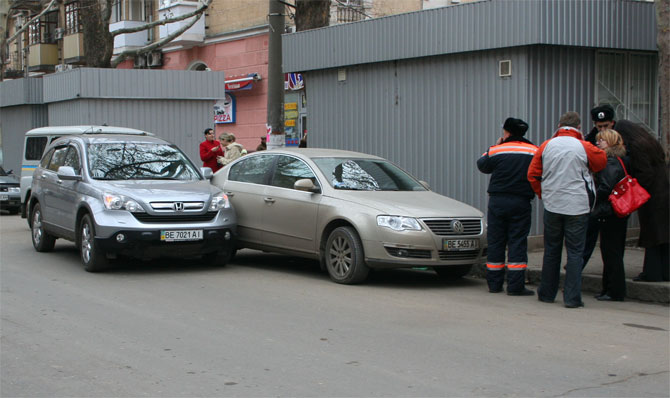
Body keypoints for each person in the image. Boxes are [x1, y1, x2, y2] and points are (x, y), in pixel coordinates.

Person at [527, 111, 607, 308]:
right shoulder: (583, 146)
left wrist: (543, 194)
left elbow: (532, 174)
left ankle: (546, 293)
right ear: (578, 127)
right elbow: (601, 162)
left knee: (552, 250)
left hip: (553, 204)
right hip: (577, 206)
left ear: (559, 125)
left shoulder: (546, 145)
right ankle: (572, 298)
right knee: (575, 253)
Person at [477, 117, 538, 296]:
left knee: (496, 241)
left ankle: (494, 284)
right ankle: (515, 286)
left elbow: (482, 165)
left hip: (498, 201)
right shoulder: (534, 150)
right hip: (521, 201)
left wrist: (495, 145)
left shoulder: (497, 150)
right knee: (517, 242)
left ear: (507, 132)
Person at [614, 120, 669, 282]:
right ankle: (665, 271)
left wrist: (632, 188)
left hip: (651, 196)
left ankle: (652, 272)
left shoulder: (637, 147)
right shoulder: (650, 142)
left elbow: (644, 174)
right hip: (663, 191)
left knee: (651, 235)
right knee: (663, 236)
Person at [591, 129, 629, 301]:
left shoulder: (609, 161)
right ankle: (610, 289)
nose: (598, 143)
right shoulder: (619, 160)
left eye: (602, 141)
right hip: (617, 211)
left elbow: (606, 187)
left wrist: (593, 196)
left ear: (611, 143)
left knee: (610, 251)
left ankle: (614, 291)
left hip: (610, 211)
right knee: (613, 251)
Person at [582, 104, 618, 268]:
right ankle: (579, 265)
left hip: (613, 198)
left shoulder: (619, 140)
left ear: (612, 123)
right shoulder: (590, 139)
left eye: (606, 126)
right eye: (599, 126)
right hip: (596, 195)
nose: (602, 130)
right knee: (589, 232)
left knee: (611, 244)